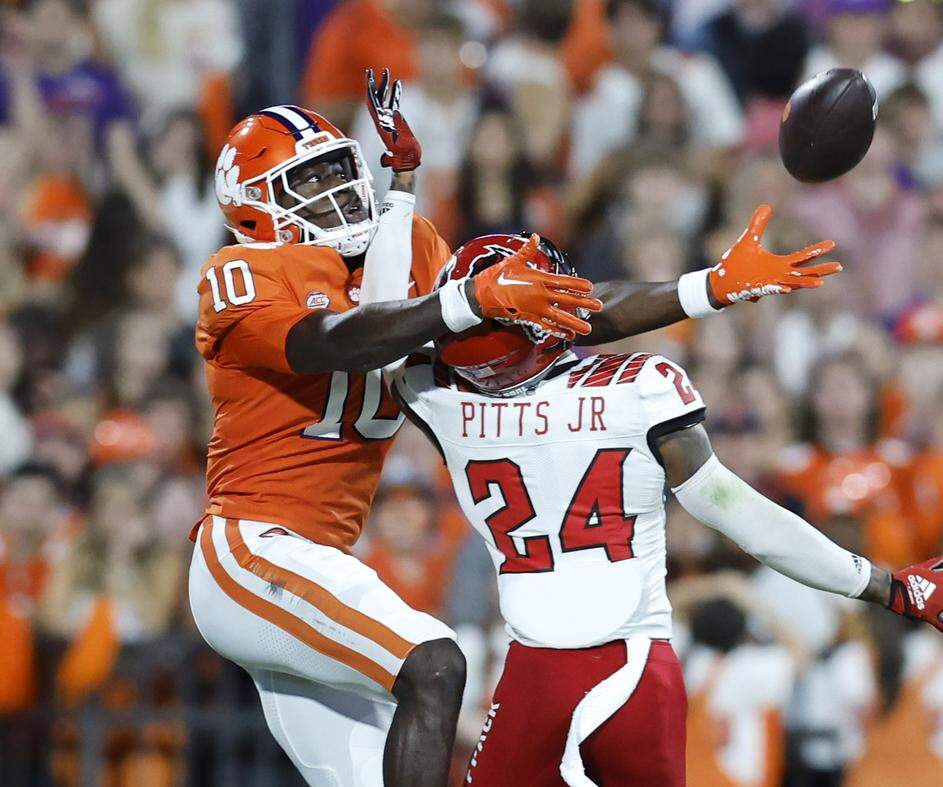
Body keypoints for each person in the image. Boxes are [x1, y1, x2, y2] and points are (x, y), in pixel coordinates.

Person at [188, 69, 840, 786]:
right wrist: (465, 297)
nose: (339, 194)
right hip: (251, 549)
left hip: (319, 562)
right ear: (253, 211)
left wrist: (706, 288)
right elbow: (339, 341)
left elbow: (557, 311)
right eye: (305, 186)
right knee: (433, 661)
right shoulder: (240, 271)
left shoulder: (402, 252)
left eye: (339, 171)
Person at [392, 221, 943, 786]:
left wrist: (415, 215)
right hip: (636, 668)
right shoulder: (640, 386)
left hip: (532, 674)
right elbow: (745, 519)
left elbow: (386, 332)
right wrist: (883, 585)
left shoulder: (433, 399)